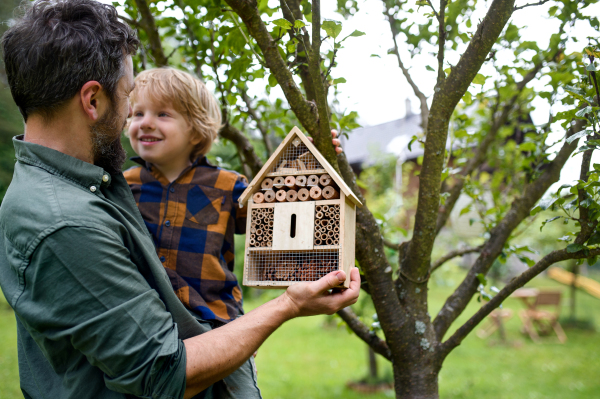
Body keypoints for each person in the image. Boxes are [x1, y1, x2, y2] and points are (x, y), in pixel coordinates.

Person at [0, 1, 360, 399]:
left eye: (162, 114)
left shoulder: (96, 186)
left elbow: (281, 213)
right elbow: (162, 370)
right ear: (92, 100)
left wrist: (314, 165)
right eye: (129, 102)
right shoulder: (72, 216)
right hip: (189, 362)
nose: (133, 122)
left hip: (218, 330)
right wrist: (288, 305)